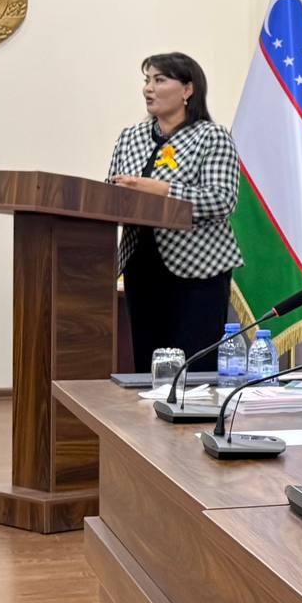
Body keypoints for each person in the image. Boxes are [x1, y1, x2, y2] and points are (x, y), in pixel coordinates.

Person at [106, 53, 243, 371]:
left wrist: (160, 189)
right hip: (141, 267)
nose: (148, 89)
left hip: (198, 271)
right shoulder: (130, 137)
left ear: (187, 90)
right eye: (147, 81)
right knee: (148, 367)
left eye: (159, 80)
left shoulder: (211, 137)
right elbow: (110, 193)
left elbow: (221, 200)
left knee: (193, 369)